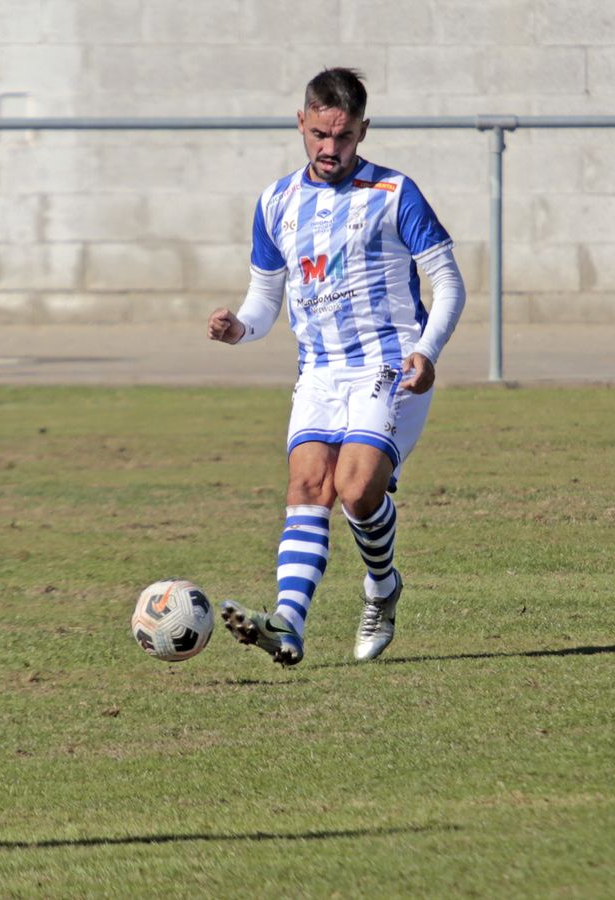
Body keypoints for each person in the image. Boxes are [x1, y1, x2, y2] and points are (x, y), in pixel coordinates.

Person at [206, 68, 464, 666]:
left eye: (342, 137)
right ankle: (287, 625)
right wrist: (238, 330)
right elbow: (266, 298)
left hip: (390, 363)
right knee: (306, 486)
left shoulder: (395, 194)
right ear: (301, 122)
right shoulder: (276, 203)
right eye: (319, 134)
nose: (329, 148)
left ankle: (381, 586)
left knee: (353, 489)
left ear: (362, 131)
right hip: (319, 370)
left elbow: (449, 283)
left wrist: (427, 352)